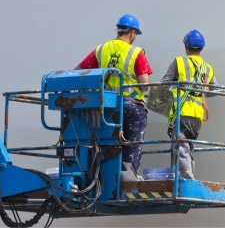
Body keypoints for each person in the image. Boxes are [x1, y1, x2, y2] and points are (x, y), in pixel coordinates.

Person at [74, 14, 152, 173]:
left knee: (106, 142)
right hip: (131, 105)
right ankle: (127, 176)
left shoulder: (101, 49)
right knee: (132, 143)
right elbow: (145, 85)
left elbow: (78, 72)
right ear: (132, 32)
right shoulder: (136, 52)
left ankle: (103, 175)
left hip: (106, 106)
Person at [161, 29, 216, 179]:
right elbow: (213, 91)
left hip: (181, 112)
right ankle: (189, 180)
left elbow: (163, 85)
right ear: (202, 48)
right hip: (197, 116)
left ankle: (187, 182)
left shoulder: (179, 62)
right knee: (189, 149)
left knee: (182, 149)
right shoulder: (207, 67)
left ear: (186, 47)